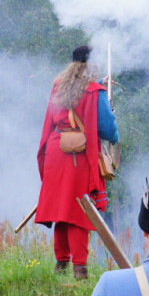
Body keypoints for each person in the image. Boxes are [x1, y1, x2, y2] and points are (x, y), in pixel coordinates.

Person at [34, 44, 118, 279]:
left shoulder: (59, 86)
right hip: (79, 156)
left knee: (62, 210)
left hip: (56, 152)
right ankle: (80, 269)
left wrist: (101, 85)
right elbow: (108, 129)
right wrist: (115, 133)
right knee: (80, 212)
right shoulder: (94, 91)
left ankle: (61, 265)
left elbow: (59, 113)